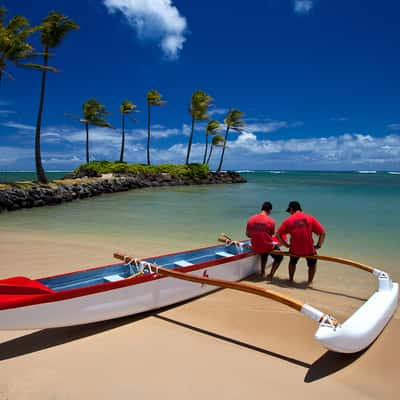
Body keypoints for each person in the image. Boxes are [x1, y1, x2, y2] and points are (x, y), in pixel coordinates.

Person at [276, 201, 326, 285]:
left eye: (289, 211)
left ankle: (291, 280)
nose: (290, 213)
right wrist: (318, 245)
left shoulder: (288, 220)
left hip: (294, 250)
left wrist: (286, 245)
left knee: (292, 262)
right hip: (309, 249)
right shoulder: (310, 218)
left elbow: (278, 234)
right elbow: (323, 233)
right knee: (312, 264)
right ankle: (309, 282)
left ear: (292, 209)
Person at [246, 201, 284, 280]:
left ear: (262, 208)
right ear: (270, 210)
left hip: (255, 246)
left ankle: (262, 272)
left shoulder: (251, 219)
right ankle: (271, 274)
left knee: (264, 250)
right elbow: (270, 235)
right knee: (280, 257)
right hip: (266, 246)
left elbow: (248, 234)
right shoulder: (271, 221)